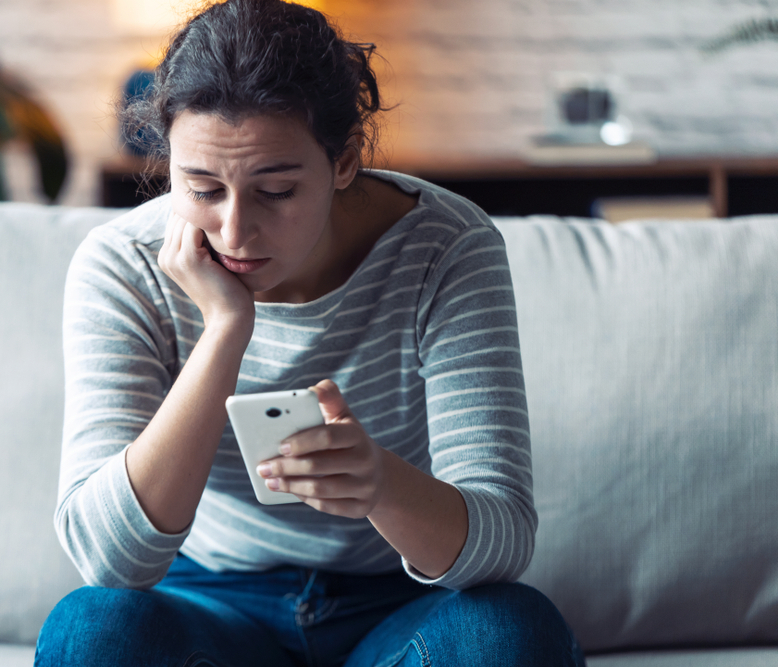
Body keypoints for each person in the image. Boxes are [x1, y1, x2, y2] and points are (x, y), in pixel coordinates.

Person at [35, 0, 585, 665]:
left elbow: (503, 541)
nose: (235, 232)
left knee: (509, 631)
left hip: (396, 602)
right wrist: (226, 329)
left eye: (277, 190)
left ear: (345, 160)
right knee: (94, 628)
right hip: (211, 601)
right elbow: (108, 558)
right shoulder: (123, 264)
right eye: (202, 187)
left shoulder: (447, 247)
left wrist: (381, 482)